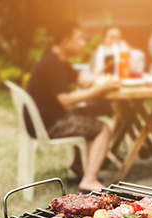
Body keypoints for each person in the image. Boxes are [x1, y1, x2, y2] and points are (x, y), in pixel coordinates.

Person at [25, 21, 120, 192]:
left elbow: (84, 82)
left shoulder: (58, 60)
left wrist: (102, 73)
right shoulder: (52, 63)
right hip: (49, 123)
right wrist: (99, 90)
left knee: (88, 113)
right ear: (65, 41)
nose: (83, 42)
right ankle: (89, 179)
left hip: (48, 117)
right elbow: (66, 100)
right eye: (80, 39)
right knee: (103, 129)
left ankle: (78, 168)